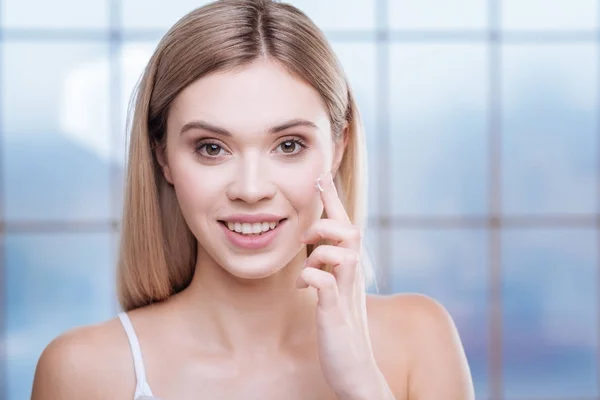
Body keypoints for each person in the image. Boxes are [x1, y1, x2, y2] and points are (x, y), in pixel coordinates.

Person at [31, 0, 474, 399]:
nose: (250, 188)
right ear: (162, 156)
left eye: (288, 145)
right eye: (211, 147)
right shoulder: (84, 372)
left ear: (338, 147)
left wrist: (362, 382)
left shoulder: (420, 340)